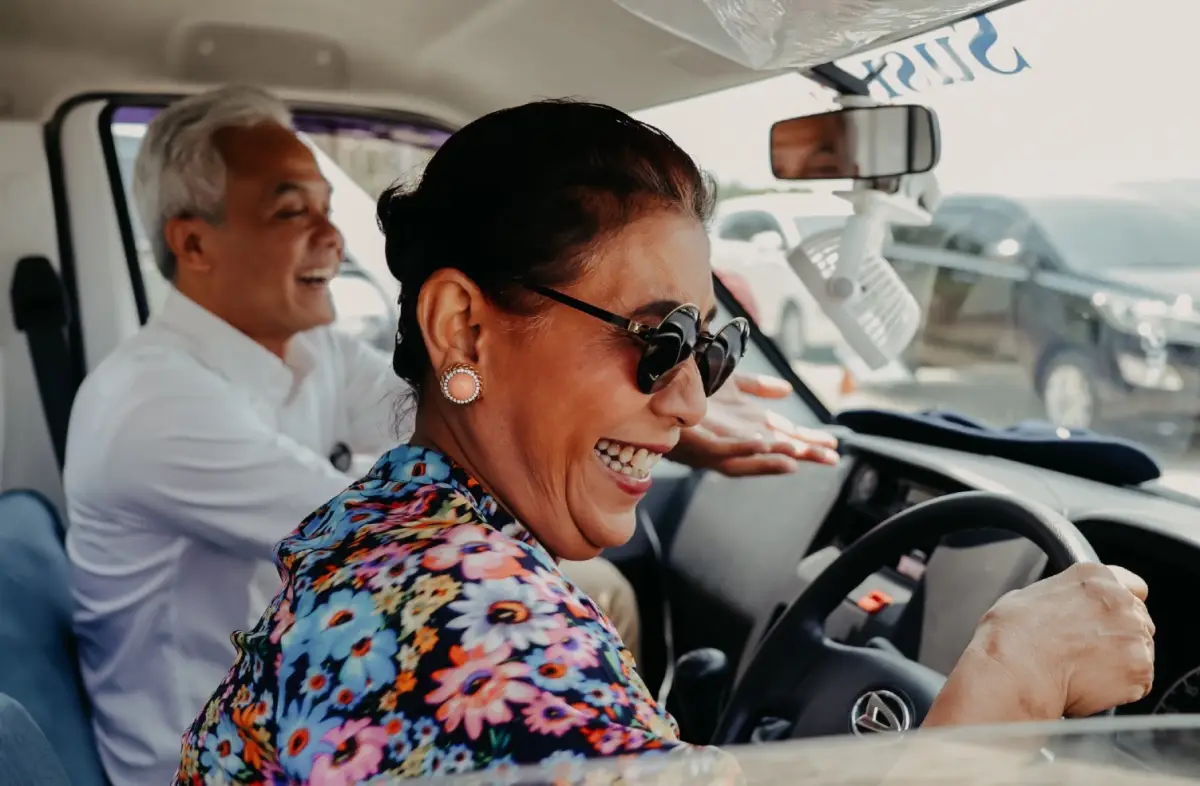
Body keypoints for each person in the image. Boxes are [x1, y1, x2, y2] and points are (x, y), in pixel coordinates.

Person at [175, 98, 1154, 783]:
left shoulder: (394, 522)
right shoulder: (461, 635)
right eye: (658, 340)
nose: (688, 400)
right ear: (464, 332)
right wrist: (1007, 685)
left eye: (710, 346)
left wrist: (620, 408)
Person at [62, 86, 838, 786]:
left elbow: (439, 397)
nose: (334, 235)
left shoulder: (310, 357)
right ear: (194, 245)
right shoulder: (153, 408)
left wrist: (652, 412)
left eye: (707, 347)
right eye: (657, 335)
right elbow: (397, 555)